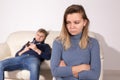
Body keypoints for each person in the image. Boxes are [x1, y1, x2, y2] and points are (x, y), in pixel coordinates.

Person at [50, 4, 101, 80]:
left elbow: (95, 75)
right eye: (68, 22)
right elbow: (55, 71)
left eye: (76, 22)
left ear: (84, 22)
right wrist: (82, 67)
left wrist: (66, 71)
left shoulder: (93, 43)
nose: (71, 26)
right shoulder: (58, 42)